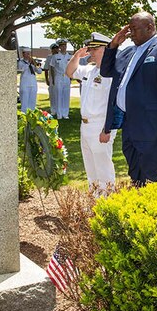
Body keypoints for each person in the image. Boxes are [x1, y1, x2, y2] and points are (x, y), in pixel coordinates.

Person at [100, 12, 157, 186]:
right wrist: (113, 44)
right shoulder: (129, 52)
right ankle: (137, 206)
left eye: (134, 29)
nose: (130, 34)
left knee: (151, 176)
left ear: (150, 27)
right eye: (129, 29)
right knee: (135, 173)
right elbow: (106, 71)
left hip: (151, 128)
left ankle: (151, 209)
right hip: (129, 124)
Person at [65, 32, 117, 194]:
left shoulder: (111, 74)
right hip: (85, 125)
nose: (91, 52)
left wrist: (106, 129)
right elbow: (70, 72)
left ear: (105, 49)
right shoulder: (90, 70)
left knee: (103, 167)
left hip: (100, 125)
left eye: (94, 49)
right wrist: (76, 56)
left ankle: (108, 199)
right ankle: (94, 198)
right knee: (90, 166)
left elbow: (114, 104)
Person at [47, 39, 72, 119]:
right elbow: (52, 68)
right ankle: (59, 114)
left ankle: (65, 114)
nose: (63, 47)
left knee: (66, 95)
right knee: (58, 95)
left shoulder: (70, 56)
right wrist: (53, 80)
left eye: (65, 45)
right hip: (58, 77)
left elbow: (72, 68)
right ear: (59, 47)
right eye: (61, 46)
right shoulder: (55, 57)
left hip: (67, 77)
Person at [17, 46, 42, 112]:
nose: (28, 55)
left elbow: (39, 71)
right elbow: (21, 70)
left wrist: (35, 64)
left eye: (29, 53)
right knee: (24, 100)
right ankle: (24, 114)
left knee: (32, 100)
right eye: (26, 53)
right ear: (23, 54)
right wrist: (28, 64)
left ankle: (32, 113)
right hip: (25, 83)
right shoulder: (21, 62)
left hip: (33, 83)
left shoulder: (34, 62)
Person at [43, 43, 59, 116]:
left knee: (59, 94)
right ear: (51, 50)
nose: (56, 50)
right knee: (52, 94)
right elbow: (46, 69)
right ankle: (53, 110)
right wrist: (47, 79)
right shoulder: (49, 58)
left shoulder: (61, 56)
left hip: (60, 78)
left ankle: (59, 109)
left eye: (57, 48)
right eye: (54, 48)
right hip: (52, 79)